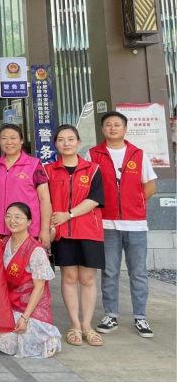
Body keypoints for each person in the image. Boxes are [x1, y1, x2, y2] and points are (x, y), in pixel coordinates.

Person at [86, 111, 157, 338]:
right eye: (108, 125)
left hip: (135, 224)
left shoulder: (138, 154)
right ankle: (110, 315)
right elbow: (88, 187)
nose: (113, 128)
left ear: (125, 129)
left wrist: (134, 204)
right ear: (103, 129)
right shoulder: (93, 154)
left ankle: (141, 317)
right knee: (109, 271)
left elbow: (150, 186)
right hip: (106, 223)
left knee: (138, 272)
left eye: (117, 124)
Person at [45, 125, 105, 347]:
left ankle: (87, 326)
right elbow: (45, 201)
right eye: (61, 140)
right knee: (69, 278)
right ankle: (75, 326)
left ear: (79, 143)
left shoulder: (93, 169)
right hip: (62, 233)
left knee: (88, 279)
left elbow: (95, 199)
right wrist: (51, 226)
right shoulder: (48, 170)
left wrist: (68, 215)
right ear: (55, 144)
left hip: (89, 230)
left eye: (71, 139)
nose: (66, 143)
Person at [0, 202, 61, 359]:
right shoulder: (3, 243)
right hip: (9, 304)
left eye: (18, 217)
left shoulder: (36, 250)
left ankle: (45, 340)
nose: (12, 221)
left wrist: (25, 318)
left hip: (31, 308)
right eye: (8, 216)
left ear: (29, 222)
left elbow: (39, 289)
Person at [0, 124, 52, 248]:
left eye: (13, 138)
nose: (8, 142)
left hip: (28, 230)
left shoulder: (34, 164)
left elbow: (44, 199)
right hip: (0, 229)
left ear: (21, 140)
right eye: (4, 138)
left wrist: (44, 230)